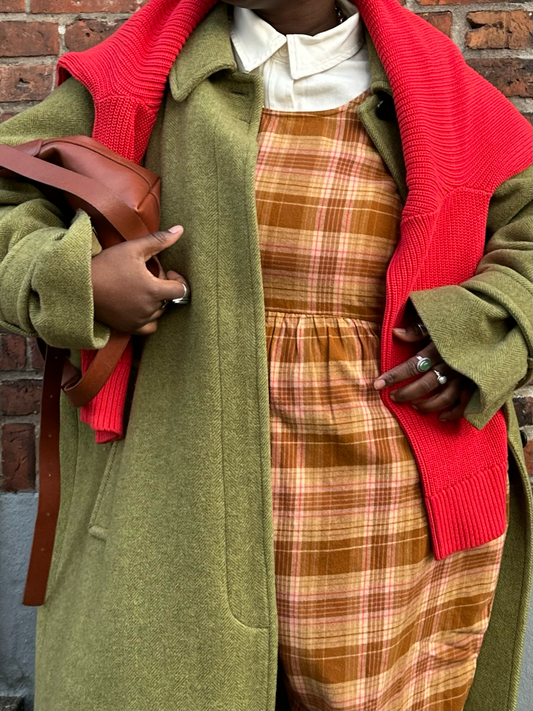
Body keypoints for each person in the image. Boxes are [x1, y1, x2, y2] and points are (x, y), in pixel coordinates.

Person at [0, 1, 531, 710]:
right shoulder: (137, 79)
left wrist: (473, 335)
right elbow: (10, 201)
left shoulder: (437, 93)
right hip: (176, 510)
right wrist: (79, 281)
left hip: (379, 531)